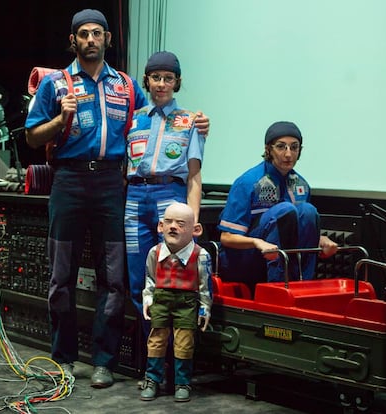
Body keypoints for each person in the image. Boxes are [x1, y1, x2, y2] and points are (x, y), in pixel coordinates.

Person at [24, 9, 210, 389]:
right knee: (61, 276)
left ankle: (105, 362)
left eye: (97, 34)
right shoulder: (55, 84)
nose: (90, 40)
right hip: (69, 180)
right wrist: (61, 120)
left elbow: (156, 114)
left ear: (108, 39)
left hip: (112, 184)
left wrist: (200, 122)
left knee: (113, 279)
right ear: (73, 40)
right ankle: (63, 358)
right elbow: (31, 138)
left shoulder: (126, 85)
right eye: (83, 34)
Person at [125, 51, 205, 321]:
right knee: (138, 279)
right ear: (146, 80)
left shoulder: (191, 121)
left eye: (168, 78)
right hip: (134, 200)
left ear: (177, 82)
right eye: (155, 77)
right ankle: (152, 357)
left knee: (171, 279)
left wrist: (192, 222)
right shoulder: (133, 119)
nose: (161, 83)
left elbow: (194, 176)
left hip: (169, 198)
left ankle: (172, 359)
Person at [218, 121, 338, 291]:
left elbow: (290, 232)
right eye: (281, 147)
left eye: (294, 147)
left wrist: (321, 240)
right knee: (285, 210)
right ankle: (276, 286)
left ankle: (303, 284)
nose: (288, 154)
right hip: (246, 260)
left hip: (286, 260)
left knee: (308, 211)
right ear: (268, 149)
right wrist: (257, 242)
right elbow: (227, 238)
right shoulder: (248, 182)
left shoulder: (301, 184)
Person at [140, 202, 212, 402]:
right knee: (156, 340)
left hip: (186, 303)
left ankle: (182, 382)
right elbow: (150, 279)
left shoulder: (201, 256)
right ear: (160, 226)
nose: (173, 227)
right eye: (169, 222)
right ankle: (152, 379)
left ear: (195, 230)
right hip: (161, 300)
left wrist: (205, 308)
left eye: (181, 223)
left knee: (184, 343)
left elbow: (205, 285)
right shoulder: (155, 253)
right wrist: (148, 298)